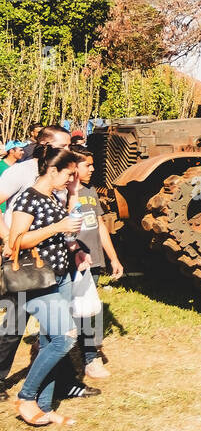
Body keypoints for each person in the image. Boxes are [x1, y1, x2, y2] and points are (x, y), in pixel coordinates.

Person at [8, 144, 86, 426]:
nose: (70, 179)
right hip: (37, 279)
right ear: (52, 170)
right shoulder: (29, 198)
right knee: (66, 337)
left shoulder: (52, 196)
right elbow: (16, 241)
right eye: (68, 174)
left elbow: (68, 222)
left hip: (59, 275)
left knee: (49, 340)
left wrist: (74, 194)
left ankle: (44, 406)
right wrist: (57, 228)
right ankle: (26, 397)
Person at [66, 146, 124, 380]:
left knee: (88, 311)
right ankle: (66, 354)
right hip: (71, 260)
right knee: (69, 310)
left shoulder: (90, 191)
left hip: (93, 259)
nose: (92, 168)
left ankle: (90, 358)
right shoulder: (63, 194)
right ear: (74, 167)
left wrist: (113, 257)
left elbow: (100, 225)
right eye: (87, 165)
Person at [0, 125, 72, 229]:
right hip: (21, 242)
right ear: (44, 145)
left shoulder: (64, 173)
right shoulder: (21, 171)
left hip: (54, 242)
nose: (68, 150)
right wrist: (6, 236)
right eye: (62, 146)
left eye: (69, 146)